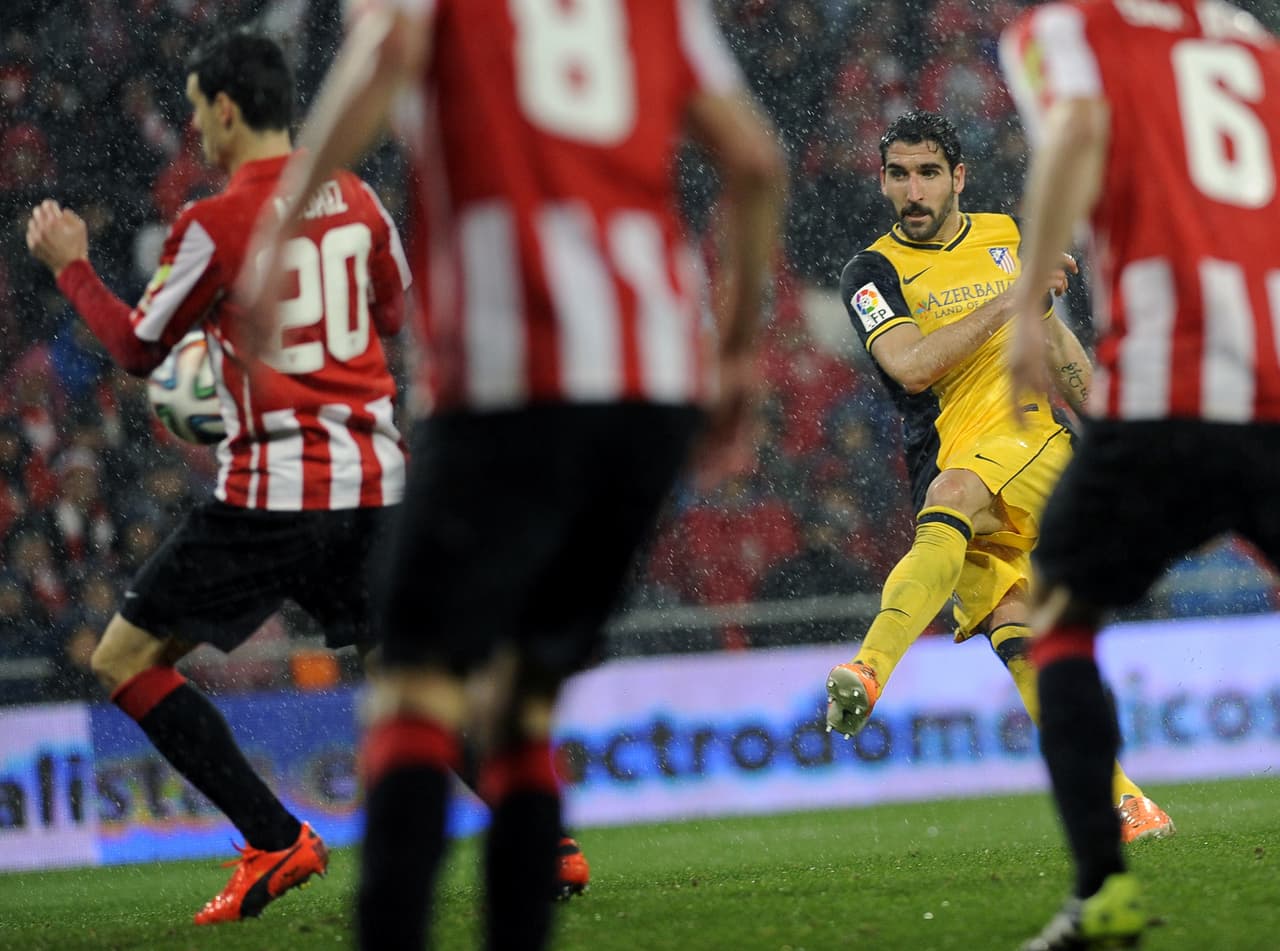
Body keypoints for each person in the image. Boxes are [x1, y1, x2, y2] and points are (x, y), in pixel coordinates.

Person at [251, 1, 785, 948]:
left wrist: (280, 222)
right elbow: (752, 162)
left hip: (506, 381)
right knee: (523, 700)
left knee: (418, 685)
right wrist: (738, 355)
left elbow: (384, 51)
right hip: (648, 391)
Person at [25, 31, 412, 924]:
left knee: (122, 657)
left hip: (277, 489)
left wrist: (71, 264)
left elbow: (133, 346)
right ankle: (545, 836)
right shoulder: (356, 195)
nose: (196, 123)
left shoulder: (214, 222)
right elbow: (390, 309)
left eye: (200, 107)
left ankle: (276, 838)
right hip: (375, 480)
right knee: (405, 676)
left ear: (227, 110)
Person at [999, 2, 1280, 948]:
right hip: (1277, 385)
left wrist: (1035, 300)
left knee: (1061, 613)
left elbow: (1078, 127)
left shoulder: (1068, 30)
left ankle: (1103, 889)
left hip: (1167, 385)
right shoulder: (1250, 42)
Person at [822, 111, 1173, 842]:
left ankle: (869, 667)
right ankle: (1128, 803)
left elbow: (1055, 342)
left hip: (1030, 438)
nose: (911, 190)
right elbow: (912, 366)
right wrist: (1010, 300)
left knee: (952, 503)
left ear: (958, 177)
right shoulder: (871, 272)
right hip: (947, 463)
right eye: (897, 174)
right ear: (882, 181)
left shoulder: (1009, 237)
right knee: (1020, 638)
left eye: (926, 173)